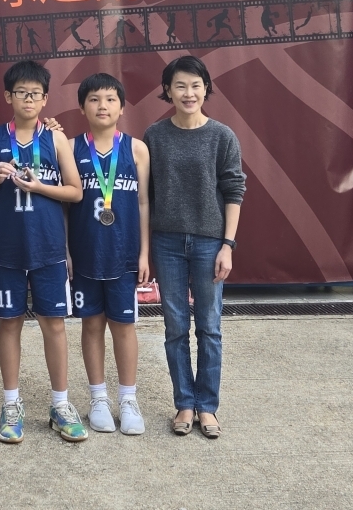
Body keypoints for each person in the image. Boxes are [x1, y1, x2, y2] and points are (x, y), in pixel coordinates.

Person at [0, 60, 86, 444]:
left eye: (35, 94)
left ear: (44, 99)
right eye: (21, 93)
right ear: (8, 96)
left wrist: (39, 187)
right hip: (7, 247)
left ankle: (60, 404)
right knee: (9, 323)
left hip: (49, 246)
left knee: (54, 324)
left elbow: (76, 191)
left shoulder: (56, 138)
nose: (28, 99)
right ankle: (11, 404)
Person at [145, 55, 244, 440]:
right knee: (175, 327)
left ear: (206, 89)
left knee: (209, 327)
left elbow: (234, 191)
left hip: (209, 242)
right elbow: (146, 195)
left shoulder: (222, 136)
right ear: (167, 90)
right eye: (180, 86)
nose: (189, 93)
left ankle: (207, 407)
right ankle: (184, 403)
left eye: (196, 85)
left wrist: (227, 245)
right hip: (166, 241)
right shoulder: (155, 136)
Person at [69, 72, 150, 435]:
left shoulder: (136, 149)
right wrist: (66, 252)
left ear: (122, 107)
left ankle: (128, 399)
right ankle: (98, 398)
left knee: (124, 326)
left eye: (110, 99)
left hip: (124, 252)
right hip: (85, 251)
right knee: (91, 325)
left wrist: (144, 252)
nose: (102, 106)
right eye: (94, 99)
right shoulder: (71, 148)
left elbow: (144, 202)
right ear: (82, 107)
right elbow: (64, 206)